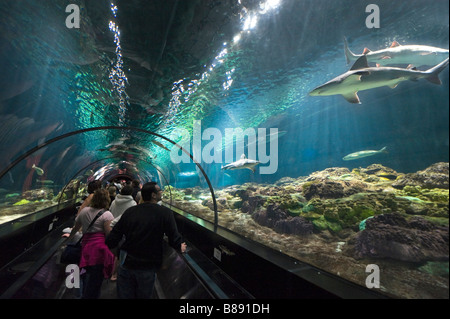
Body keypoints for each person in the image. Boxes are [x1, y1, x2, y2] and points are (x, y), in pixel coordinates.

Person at [106, 182, 187, 299]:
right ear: (153, 195)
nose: (162, 192)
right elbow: (173, 237)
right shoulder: (165, 213)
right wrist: (179, 246)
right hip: (147, 267)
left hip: (127, 264)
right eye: (159, 190)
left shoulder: (130, 211)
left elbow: (111, 240)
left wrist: (119, 254)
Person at [67, 188, 115, 299]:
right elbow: (108, 234)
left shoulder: (84, 211)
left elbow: (76, 228)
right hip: (99, 249)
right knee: (96, 278)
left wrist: (69, 238)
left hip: (86, 246)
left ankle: (82, 294)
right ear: (106, 200)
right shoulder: (107, 215)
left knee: (85, 273)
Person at [108, 185, 137, 281]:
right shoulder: (133, 203)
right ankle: (116, 273)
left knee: (112, 250)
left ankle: (109, 271)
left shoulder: (114, 201)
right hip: (124, 230)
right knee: (121, 253)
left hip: (112, 228)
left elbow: (110, 212)